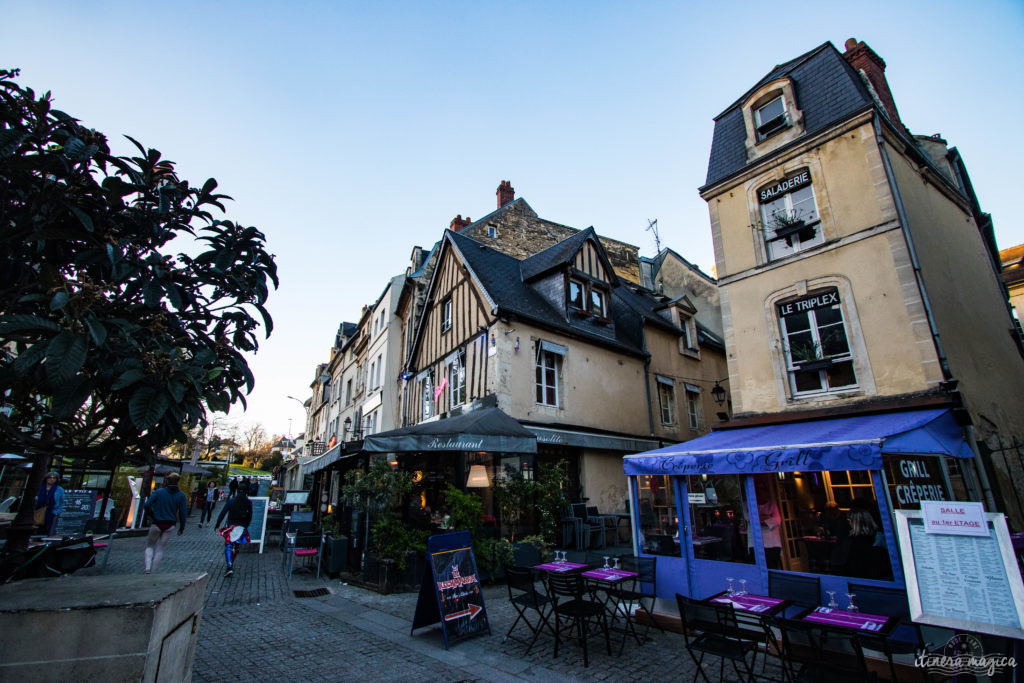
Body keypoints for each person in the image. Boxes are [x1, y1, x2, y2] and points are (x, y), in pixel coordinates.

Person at [143, 472, 188, 573]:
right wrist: (182, 527)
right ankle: (154, 571)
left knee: (150, 546)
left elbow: (147, 505)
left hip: (157, 521)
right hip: (170, 524)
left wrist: (152, 515)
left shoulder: (159, 492)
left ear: (167, 480)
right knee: (160, 548)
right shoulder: (181, 495)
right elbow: (183, 512)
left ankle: (148, 567)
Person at [216, 485, 252, 578]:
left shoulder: (231, 501)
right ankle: (231, 563)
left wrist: (217, 523)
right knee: (236, 546)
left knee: (228, 545)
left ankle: (229, 566)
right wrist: (246, 526)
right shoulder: (248, 502)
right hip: (242, 527)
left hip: (231, 526)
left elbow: (223, 513)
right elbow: (250, 516)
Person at [753, 476, 783, 569]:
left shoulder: (772, 505)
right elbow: (752, 520)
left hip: (774, 544)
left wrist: (762, 519)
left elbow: (777, 520)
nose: (759, 492)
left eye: (761, 489)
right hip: (760, 544)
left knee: (773, 568)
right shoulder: (752, 506)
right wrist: (768, 517)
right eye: (757, 489)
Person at [844, 508, 880, 578]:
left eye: (849, 520)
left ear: (856, 523)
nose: (848, 523)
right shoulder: (879, 537)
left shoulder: (855, 541)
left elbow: (852, 565)